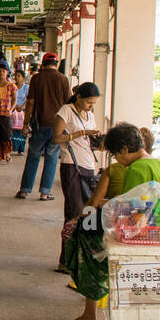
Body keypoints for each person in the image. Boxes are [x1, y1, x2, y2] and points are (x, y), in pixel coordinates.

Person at [63, 123, 160, 320]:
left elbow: (131, 211)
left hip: (139, 237)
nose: (116, 160)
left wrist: (99, 211)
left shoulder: (136, 169)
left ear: (123, 150)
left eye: (115, 155)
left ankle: (90, 316)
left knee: (87, 248)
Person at [15, 52, 71, 200]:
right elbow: (68, 105)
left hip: (39, 125)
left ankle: (25, 190)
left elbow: (31, 103)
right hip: (57, 126)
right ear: (56, 63)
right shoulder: (63, 79)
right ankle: (45, 193)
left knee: (33, 157)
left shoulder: (36, 78)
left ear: (42, 64)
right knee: (52, 159)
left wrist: (25, 123)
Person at [53, 82, 101, 224]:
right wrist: (81, 133)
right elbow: (56, 138)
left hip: (88, 165)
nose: (91, 106)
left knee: (89, 209)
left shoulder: (90, 115)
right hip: (71, 164)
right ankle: (70, 241)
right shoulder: (66, 110)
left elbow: (89, 141)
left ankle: (84, 242)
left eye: (93, 103)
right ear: (78, 96)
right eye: (88, 102)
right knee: (74, 209)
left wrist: (97, 139)